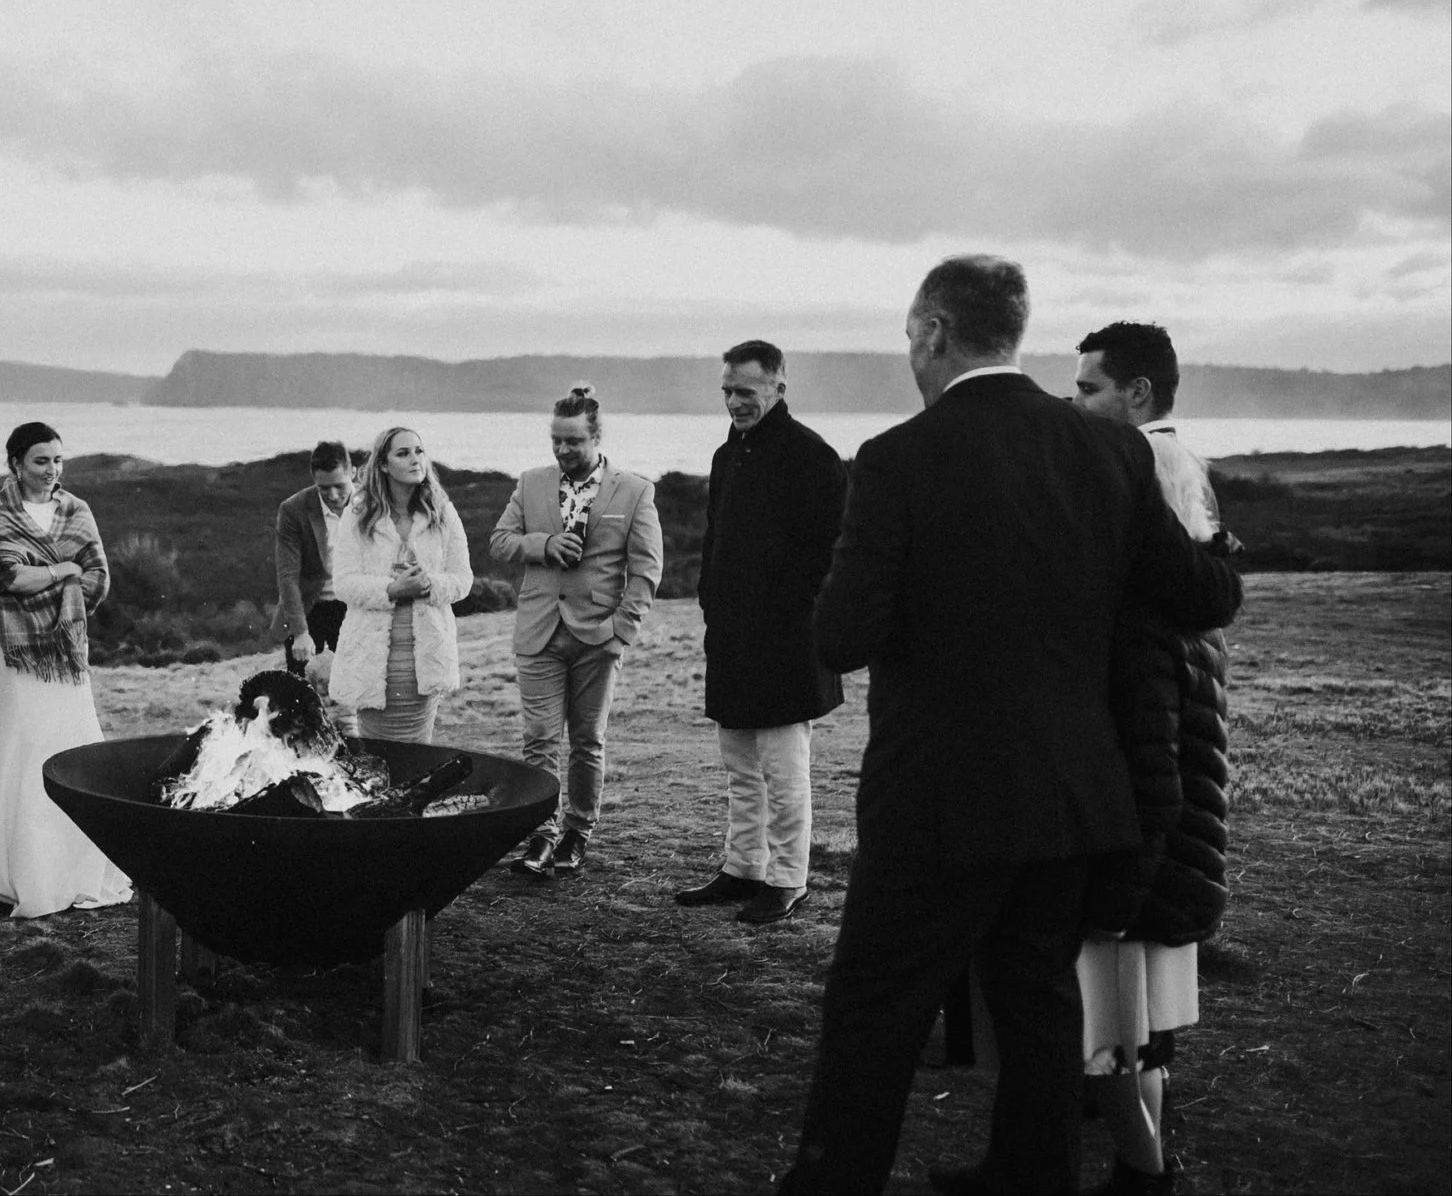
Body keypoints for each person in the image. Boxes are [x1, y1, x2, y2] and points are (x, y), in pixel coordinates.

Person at [778, 257, 1242, 1196]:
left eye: (911, 339)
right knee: (1037, 994)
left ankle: (833, 1183)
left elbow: (844, 634)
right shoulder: (1110, 452)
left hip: (939, 793)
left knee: (877, 1005)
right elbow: (1206, 594)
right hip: (1073, 787)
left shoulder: (898, 459)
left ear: (937, 333)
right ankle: (1032, 1174)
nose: (910, 357)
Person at [1068, 321, 1236, 1196]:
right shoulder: (1183, 496)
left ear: (1137, 396)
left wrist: (1116, 891)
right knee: (1140, 1028)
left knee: (1120, 1030)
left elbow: (1151, 746)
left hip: (1140, 837)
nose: (1075, 403)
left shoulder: (1143, 498)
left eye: (1091, 387)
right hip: (1163, 832)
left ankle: (1144, 1174)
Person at [673, 342, 848, 925]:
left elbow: (833, 553)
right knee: (739, 763)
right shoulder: (729, 456)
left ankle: (787, 879)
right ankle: (742, 867)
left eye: (745, 391)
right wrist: (710, 602)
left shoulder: (811, 456)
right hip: (731, 635)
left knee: (782, 764)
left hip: (787, 640)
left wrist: (794, 616)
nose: (733, 402)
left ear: (778, 386)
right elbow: (717, 537)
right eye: (726, 390)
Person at [487, 386, 664, 877]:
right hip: (538, 634)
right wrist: (543, 545)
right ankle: (539, 836)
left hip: (597, 639)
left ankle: (577, 832)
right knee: (539, 740)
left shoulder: (634, 491)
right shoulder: (530, 483)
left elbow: (647, 571)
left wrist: (620, 632)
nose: (562, 451)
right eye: (555, 441)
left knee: (587, 740)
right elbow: (500, 542)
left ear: (596, 435)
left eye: (572, 442)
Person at [0, 421, 133, 918]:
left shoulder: (76, 510)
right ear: (16, 463)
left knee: (72, 744)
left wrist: (54, 588)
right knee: (24, 746)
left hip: (65, 649)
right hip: (16, 652)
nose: (52, 470)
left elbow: (98, 576)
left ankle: (77, 870)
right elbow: (10, 576)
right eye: (41, 460)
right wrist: (63, 572)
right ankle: (27, 874)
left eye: (58, 460)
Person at [328, 427, 472, 742]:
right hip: (372, 661)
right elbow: (344, 583)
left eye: (419, 451)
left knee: (419, 754)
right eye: (403, 453)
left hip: (425, 661)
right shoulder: (358, 513)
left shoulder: (442, 511)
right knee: (378, 759)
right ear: (382, 464)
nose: (415, 459)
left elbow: (463, 580)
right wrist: (392, 590)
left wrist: (428, 584)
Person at [275, 440, 356, 676]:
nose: (332, 495)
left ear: (353, 473)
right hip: (310, 607)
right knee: (299, 691)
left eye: (339, 486)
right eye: (323, 488)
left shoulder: (373, 504)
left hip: (355, 605)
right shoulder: (292, 510)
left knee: (360, 685)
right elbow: (287, 576)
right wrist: (300, 632)